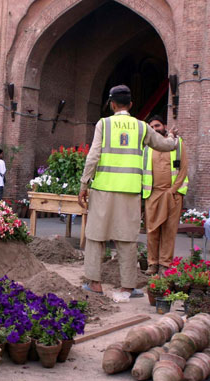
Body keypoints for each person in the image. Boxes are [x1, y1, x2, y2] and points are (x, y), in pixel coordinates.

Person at [78, 85, 178, 299]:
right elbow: (164, 145)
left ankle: (94, 283)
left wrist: (84, 184)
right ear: (131, 104)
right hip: (130, 192)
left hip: (103, 189)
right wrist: (173, 138)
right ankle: (127, 287)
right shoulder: (142, 127)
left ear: (112, 104)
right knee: (126, 239)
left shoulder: (103, 125)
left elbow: (93, 156)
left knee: (96, 236)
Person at [143, 114, 189, 275]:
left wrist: (173, 190)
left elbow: (183, 169)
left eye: (157, 126)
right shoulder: (146, 147)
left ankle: (165, 265)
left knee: (169, 231)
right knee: (152, 230)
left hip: (172, 194)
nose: (155, 129)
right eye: (152, 127)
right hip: (153, 194)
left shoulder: (177, 144)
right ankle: (152, 264)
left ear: (164, 126)